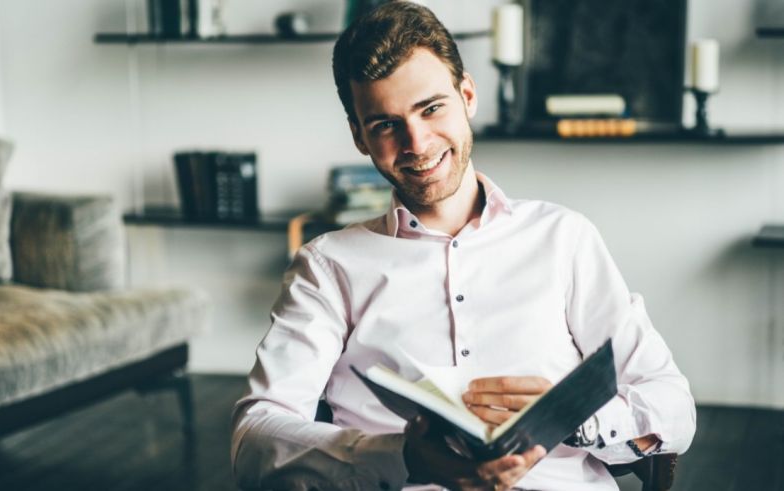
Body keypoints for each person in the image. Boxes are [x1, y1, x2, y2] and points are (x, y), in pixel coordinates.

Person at [231, 3, 696, 490]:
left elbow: (673, 407)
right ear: (359, 137)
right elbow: (254, 440)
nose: (416, 142)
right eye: (385, 125)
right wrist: (401, 458)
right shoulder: (327, 267)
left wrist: (575, 420)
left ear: (467, 95)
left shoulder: (565, 237)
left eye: (431, 108)